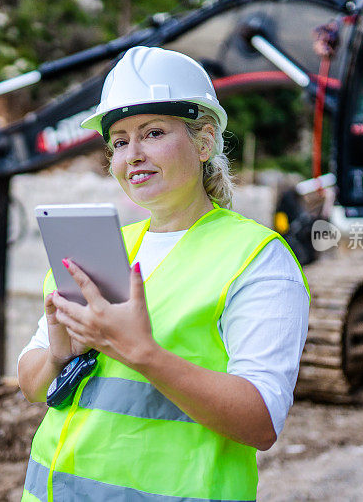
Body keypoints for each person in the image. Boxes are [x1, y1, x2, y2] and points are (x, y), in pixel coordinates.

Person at [17, 46, 309, 502]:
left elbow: (262, 421)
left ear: (204, 141)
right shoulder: (97, 247)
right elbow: (32, 384)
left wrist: (143, 354)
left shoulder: (256, 258)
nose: (132, 155)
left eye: (153, 133)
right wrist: (59, 356)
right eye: (118, 141)